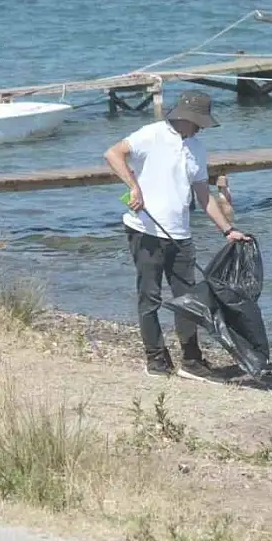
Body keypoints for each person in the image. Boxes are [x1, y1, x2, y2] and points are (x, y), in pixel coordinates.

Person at [104, 90, 249, 381]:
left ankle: (191, 361)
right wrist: (134, 187)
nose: (200, 127)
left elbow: (203, 196)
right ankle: (155, 359)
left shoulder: (197, 148)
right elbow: (113, 153)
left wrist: (228, 230)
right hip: (145, 229)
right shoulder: (152, 134)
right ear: (184, 117)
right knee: (150, 296)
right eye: (198, 122)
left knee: (188, 299)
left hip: (181, 235)